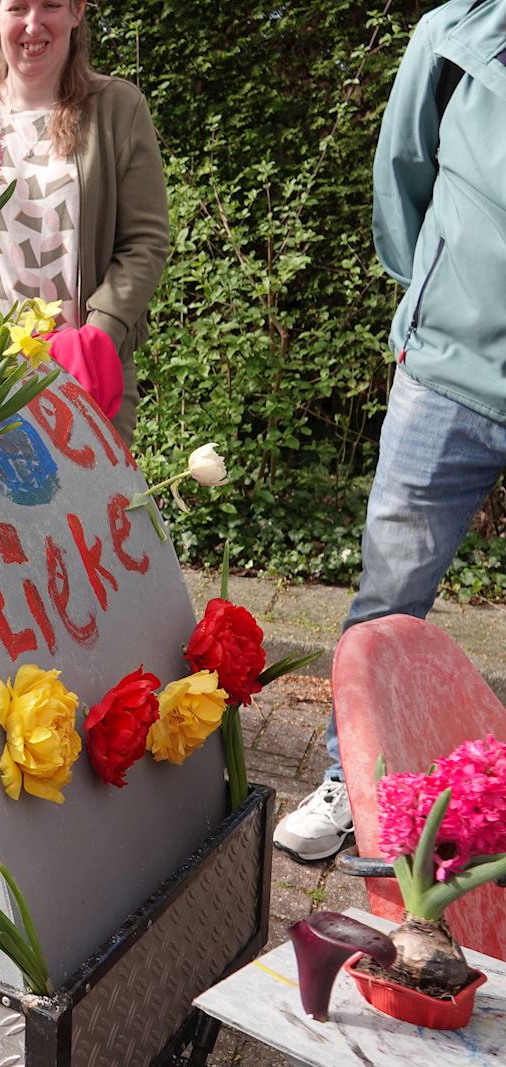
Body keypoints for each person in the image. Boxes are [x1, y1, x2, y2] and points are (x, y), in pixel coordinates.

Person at [273, 0, 506, 863]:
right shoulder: (457, 37)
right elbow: (401, 175)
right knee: (387, 601)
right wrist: (429, 315)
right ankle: (354, 785)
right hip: (444, 378)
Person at [0, 0, 170, 447]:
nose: (33, 24)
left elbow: (145, 241)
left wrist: (100, 337)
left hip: (86, 377)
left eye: (51, 5)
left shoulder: (118, 109)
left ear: (77, 12)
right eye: (18, 8)